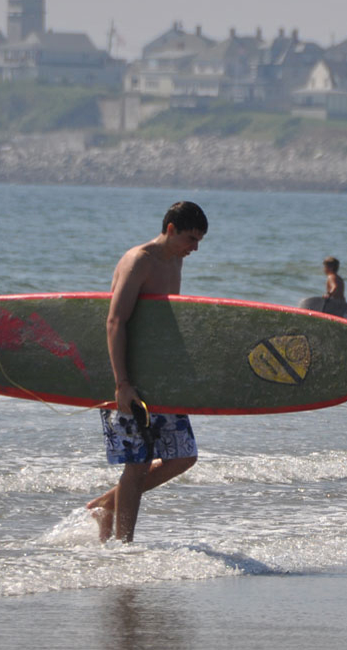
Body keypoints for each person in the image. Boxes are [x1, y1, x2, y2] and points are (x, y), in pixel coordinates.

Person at [86, 201, 208, 543]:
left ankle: (107, 504)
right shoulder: (139, 260)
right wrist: (122, 384)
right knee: (137, 463)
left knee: (183, 456)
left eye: (199, 241)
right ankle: (123, 546)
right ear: (170, 229)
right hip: (129, 379)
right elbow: (115, 321)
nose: (195, 247)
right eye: (190, 238)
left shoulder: (175, 260)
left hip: (160, 378)